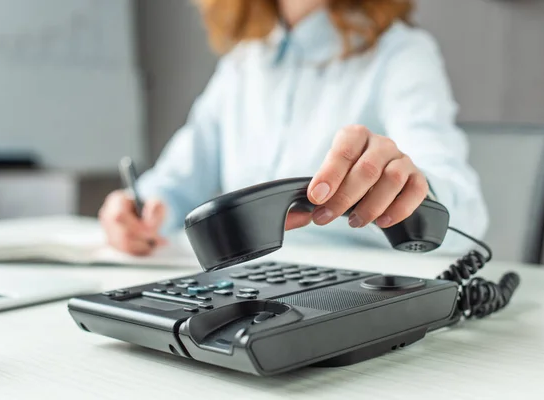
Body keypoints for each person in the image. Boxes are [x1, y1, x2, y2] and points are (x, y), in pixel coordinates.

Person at [99, 0, 488, 256]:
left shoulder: (401, 53)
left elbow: (465, 216)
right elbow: (175, 183)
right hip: (247, 281)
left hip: (354, 286)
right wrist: (135, 212)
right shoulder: (243, 63)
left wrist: (411, 190)